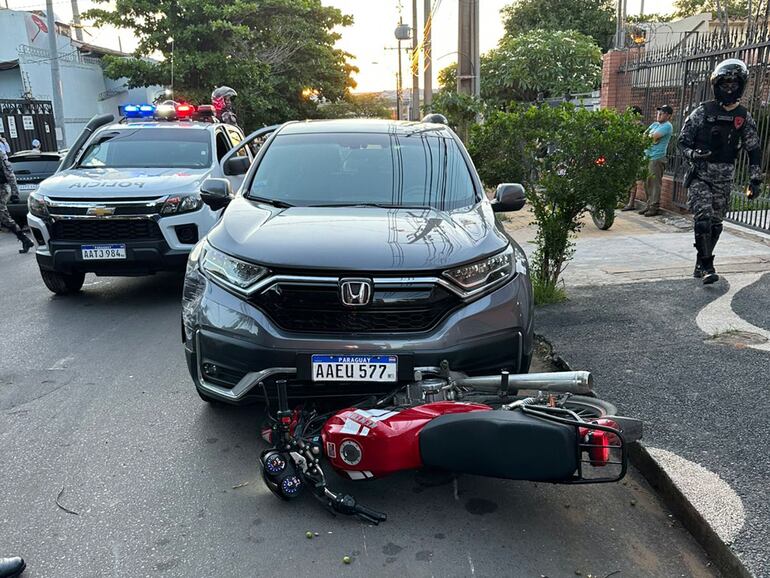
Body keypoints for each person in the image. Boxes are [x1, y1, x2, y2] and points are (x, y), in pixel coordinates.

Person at [679, 58, 762, 284]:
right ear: (716, 85)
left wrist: (755, 180)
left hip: (724, 179)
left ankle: (700, 260)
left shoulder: (743, 117)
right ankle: (707, 266)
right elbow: (682, 142)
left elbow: (753, 148)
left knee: (715, 224)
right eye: (724, 84)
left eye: (733, 84)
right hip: (701, 176)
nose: (728, 88)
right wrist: (695, 155)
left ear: (741, 86)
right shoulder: (702, 112)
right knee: (703, 219)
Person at [637, 105, 674, 217]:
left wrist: (649, 136)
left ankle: (654, 207)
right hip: (647, 156)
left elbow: (653, 137)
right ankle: (648, 204)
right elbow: (644, 136)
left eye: (661, 113)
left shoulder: (667, 126)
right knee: (647, 183)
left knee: (654, 183)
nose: (659, 114)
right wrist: (648, 136)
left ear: (668, 115)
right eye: (658, 112)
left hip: (657, 158)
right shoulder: (654, 124)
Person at [0, 147, 35, 253]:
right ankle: (25, 239)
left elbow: (9, 173)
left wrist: (15, 193)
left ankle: (24, 239)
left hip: (1, 188)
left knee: (3, 215)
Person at [621, 106, 646, 211]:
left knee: (632, 180)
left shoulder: (641, 127)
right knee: (626, 180)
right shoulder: (627, 125)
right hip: (626, 154)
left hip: (635, 156)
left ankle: (631, 203)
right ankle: (625, 201)